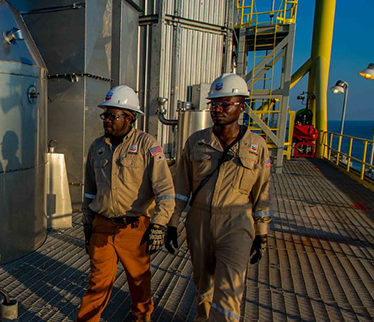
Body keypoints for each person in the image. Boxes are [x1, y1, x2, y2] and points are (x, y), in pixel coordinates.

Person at [165, 73, 272, 322]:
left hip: (236, 223)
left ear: (242, 106)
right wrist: (172, 222)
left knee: (230, 290)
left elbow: (262, 192)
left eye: (226, 104)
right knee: (204, 285)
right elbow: (181, 187)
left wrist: (262, 233)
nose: (218, 110)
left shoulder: (256, 145)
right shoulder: (196, 142)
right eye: (214, 104)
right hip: (198, 222)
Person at [76, 85, 176, 322]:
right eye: (105, 115)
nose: (106, 120)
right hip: (102, 227)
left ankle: (141, 318)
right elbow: (90, 191)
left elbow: (165, 190)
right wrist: (87, 223)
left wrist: (159, 225)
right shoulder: (97, 147)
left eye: (113, 115)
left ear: (129, 118)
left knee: (139, 282)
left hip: (135, 229)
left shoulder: (147, 146)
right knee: (97, 283)